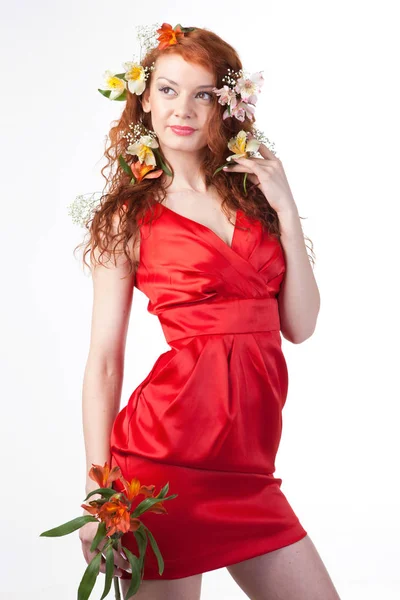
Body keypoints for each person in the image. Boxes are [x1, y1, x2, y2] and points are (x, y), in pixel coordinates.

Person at [78, 23, 340, 600]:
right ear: (144, 98)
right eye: (168, 90)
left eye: (202, 94)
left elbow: (300, 326)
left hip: (248, 473)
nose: (184, 110)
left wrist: (288, 212)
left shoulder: (254, 198)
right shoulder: (128, 216)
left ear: (226, 103)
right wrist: (101, 493)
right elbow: (103, 362)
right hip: (162, 466)